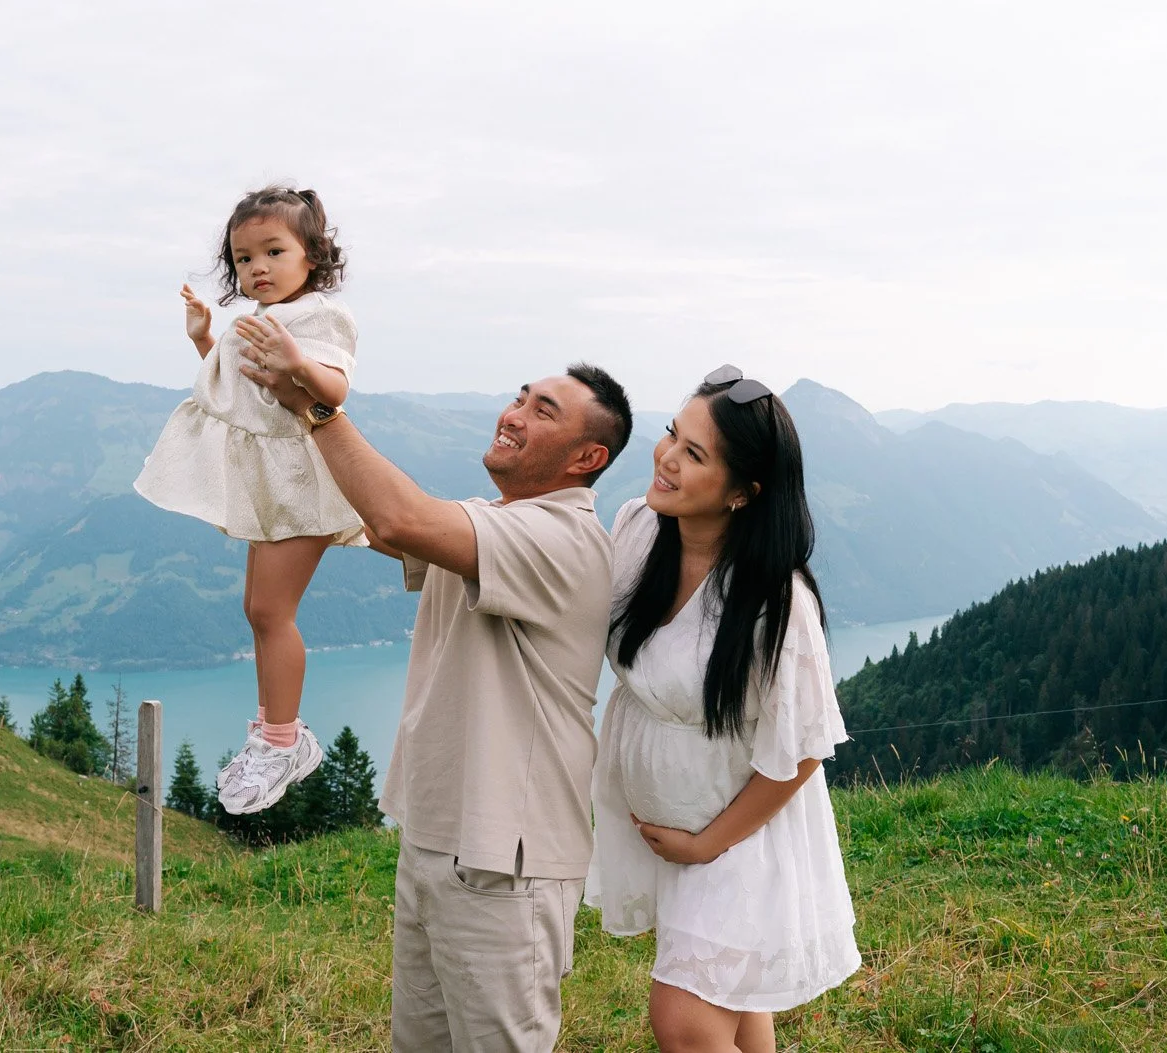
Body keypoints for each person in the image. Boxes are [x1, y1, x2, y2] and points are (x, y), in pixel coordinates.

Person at [241, 353, 632, 1053]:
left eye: (543, 410)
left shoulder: (564, 539)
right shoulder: (490, 523)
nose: (512, 414)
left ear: (587, 456)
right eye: (520, 397)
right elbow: (374, 512)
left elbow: (397, 519)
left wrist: (317, 407)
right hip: (435, 840)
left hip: (506, 864)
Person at [585, 366, 860, 1053]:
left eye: (695, 453)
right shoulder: (639, 527)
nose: (667, 456)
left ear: (743, 492)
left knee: (685, 1021)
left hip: (739, 833)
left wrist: (709, 841)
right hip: (672, 818)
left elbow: (801, 749)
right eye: (674, 432)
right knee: (735, 1006)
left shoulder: (775, 601)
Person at [132, 184, 363, 814]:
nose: (256, 268)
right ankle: (272, 733)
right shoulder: (257, 322)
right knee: (258, 609)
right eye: (242, 258)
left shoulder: (319, 317)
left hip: (304, 482)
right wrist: (206, 340)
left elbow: (334, 388)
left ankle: (285, 742)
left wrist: (299, 363)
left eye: (273, 251)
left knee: (270, 613)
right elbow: (243, 393)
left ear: (311, 256)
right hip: (275, 485)